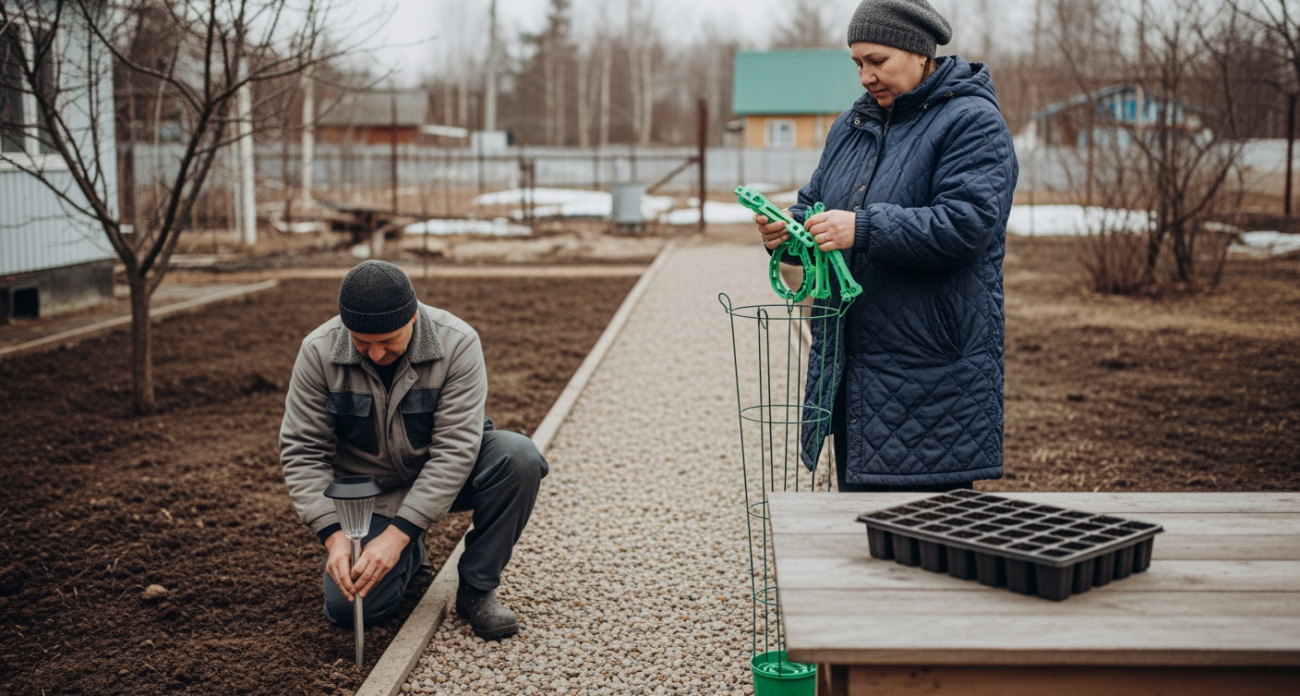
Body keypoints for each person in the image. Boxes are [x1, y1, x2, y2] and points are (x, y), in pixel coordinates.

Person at [754, 0, 1019, 492]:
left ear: (920, 54)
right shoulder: (851, 127)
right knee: (863, 539)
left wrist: (862, 228)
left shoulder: (972, 123)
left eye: (878, 61)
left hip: (931, 365)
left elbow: (966, 225)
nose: (865, 77)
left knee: (932, 542)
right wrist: (788, 234)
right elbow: (815, 205)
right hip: (851, 364)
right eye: (857, 63)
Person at [279, 260, 547, 640]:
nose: (374, 354)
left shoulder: (457, 342)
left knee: (517, 456)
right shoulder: (318, 351)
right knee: (349, 610)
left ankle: (477, 587)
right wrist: (334, 534)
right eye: (361, 342)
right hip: (373, 493)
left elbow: (456, 449)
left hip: (447, 474)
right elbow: (303, 451)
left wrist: (398, 534)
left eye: (388, 341)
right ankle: (412, 559)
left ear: (413, 319)